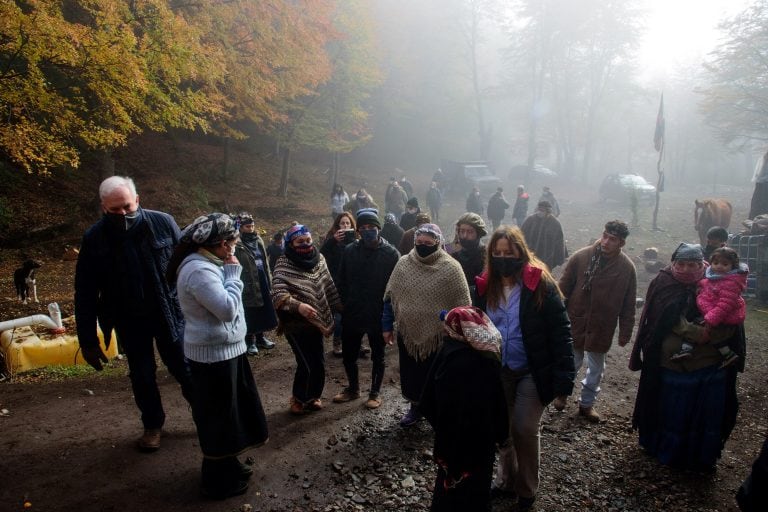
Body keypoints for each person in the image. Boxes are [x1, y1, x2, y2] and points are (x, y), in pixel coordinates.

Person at [75, 176, 192, 452]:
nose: (123, 214)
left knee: (185, 369)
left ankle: (206, 415)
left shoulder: (163, 222)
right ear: (104, 207)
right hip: (129, 319)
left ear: (137, 200)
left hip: (169, 312)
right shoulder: (94, 238)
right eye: (115, 210)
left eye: (127, 207)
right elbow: (85, 291)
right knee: (141, 375)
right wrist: (88, 340)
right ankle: (152, 425)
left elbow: (188, 268)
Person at [168, 213, 268, 499]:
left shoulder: (211, 262)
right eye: (233, 243)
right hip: (213, 357)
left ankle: (230, 464)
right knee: (219, 418)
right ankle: (217, 481)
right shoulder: (199, 270)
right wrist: (234, 276)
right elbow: (225, 309)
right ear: (222, 244)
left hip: (227, 351)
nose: (235, 248)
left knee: (232, 414)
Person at [475, 226, 574, 511]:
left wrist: (563, 382)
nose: (504, 258)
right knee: (501, 430)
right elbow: (477, 325)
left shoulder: (538, 282)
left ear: (521, 251)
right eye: (498, 253)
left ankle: (527, 490)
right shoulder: (484, 286)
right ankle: (505, 479)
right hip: (499, 370)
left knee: (525, 427)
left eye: (509, 252)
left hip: (533, 370)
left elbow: (561, 332)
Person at [629, 243, 746, 472]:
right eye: (680, 263)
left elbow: (733, 321)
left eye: (692, 264)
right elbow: (659, 320)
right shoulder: (664, 283)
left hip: (709, 366)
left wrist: (710, 334)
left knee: (702, 414)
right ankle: (661, 448)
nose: (685, 269)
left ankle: (698, 457)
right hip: (670, 363)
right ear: (673, 263)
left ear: (702, 264)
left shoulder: (723, 283)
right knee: (670, 410)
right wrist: (695, 332)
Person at [420, 306, 508, 512]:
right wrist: (501, 433)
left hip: (450, 439)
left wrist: (440, 424)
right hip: (481, 442)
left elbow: (427, 399)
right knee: (477, 483)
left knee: (449, 485)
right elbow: (499, 403)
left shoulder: (447, 354)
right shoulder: (489, 359)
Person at [383, 223, 471, 426]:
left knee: (437, 376)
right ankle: (415, 408)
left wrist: (459, 334)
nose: (423, 245)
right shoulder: (404, 263)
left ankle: (438, 413)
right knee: (412, 373)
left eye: (428, 242)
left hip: (440, 337)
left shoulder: (452, 268)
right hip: (408, 334)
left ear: (438, 242)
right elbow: (390, 297)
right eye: (419, 242)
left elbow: (464, 306)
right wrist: (386, 326)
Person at [554, 220, 636, 422]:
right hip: (576, 319)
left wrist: (625, 331)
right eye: (605, 236)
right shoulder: (581, 257)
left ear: (621, 243)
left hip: (602, 325)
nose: (606, 242)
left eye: (613, 239)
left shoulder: (627, 268)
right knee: (572, 361)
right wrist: (555, 316)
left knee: (597, 368)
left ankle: (586, 404)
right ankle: (562, 394)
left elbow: (629, 303)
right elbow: (561, 289)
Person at [332, 208, 400, 409]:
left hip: (378, 313)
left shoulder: (391, 254)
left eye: (372, 227)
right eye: (363, 227)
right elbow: (341, 280)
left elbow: (396, 287)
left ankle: (375, 392)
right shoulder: (350, 251)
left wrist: (390, 315)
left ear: (378, 229)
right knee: (349, 355)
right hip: (353, 312)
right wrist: (342, 304)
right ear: (358, 230)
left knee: (378, 356)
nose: (368, 230)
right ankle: (353, 389)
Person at [271, 224, 341, 415]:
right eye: (300, 241)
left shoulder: (320, 259)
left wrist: (338, 308)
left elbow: (327, 286)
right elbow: (277, 292)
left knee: (318, 361)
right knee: (305, 363)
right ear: (291, 243)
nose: (305, 244)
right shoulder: (283, 262)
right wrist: (297, 306)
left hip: (315, 319)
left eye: (308, 240)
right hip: (294, 322)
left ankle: (313, 396)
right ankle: (298, 398)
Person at [671, 247, 747, 367]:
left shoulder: (732, 283)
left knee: (714, 335)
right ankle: (686, 350)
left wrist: (711, 319)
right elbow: (709, 283)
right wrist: (701, 286)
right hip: (709, 313)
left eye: (725, 264)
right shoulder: (713, 276)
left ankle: (728, 355)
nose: (719, 266)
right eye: (716, 263)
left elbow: (725, 304)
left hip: (722, 318)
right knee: (698, 325)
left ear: (733, 266)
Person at [234, 213, 277, 356]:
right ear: (240, 227)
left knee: (262, 309)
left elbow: (264, 260)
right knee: (250, 311)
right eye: (247, 226)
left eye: (252, 226)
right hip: (247, 281)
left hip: (261, 278)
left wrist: (269, 279)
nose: (251, 229)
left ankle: (261, 338)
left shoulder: (258, 239)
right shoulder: (237, 243)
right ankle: (250, 341)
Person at [320, 212, 358, 357]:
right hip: (336, 283)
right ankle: (337, 343)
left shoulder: (356, 239)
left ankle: (357, 343)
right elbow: (320, 255)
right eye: (342, 223)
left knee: (355, 314)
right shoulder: (331, 240)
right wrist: (333, 241)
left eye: (348, 223)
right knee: (339, 316)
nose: (345, 226)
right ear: (337, 225)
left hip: (354, 283)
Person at [520, 201, 566, 271]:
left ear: (548, 211)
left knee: (544, 277)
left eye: (542, 210)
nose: (540, 212)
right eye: (539, 209)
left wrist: (560, 259)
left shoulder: (555, 223)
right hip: (529, 255)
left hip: (547, 257)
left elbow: (559, 242)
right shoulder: (530, 220)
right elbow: (520, 235)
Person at [451, 212, 487, 297]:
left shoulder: (487, 256)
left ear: (478, 233)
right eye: (462, 231)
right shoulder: (453, 256)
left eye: (470, 232)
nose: (465, 236)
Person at [749, 150, 768, 219]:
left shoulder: (763, 158)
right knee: (760, 205)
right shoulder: (763, 159)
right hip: (762, 186)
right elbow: (759, 174)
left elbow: (759, 174)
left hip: (761, 185)